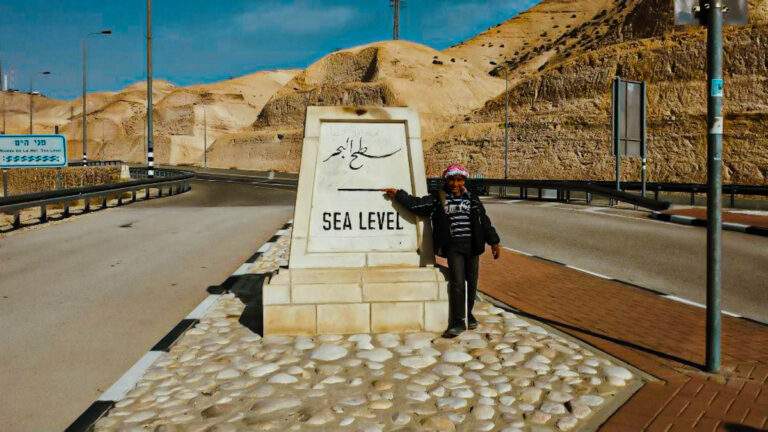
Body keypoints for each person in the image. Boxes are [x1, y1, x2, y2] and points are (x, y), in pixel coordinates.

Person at [384, 163, 501, 338]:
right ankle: (457, 322)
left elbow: (484, 220)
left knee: (472, 283)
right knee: (458, 284)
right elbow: (418, 206)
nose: (455, 184)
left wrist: (494, 241)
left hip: (472, 247)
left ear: (464, 180)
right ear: (446, 180)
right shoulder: (438, 197)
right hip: (454, 247)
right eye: (452, 180)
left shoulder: (472, 198)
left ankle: (468, 315)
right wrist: (399, 195)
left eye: (459, 180)